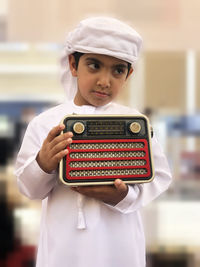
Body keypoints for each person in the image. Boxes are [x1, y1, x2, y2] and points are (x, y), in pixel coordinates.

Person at [14, 17, 172, 267]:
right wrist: (42, 164)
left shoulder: (134, 123)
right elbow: (29, 189)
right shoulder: (46, 123)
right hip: (63, 246)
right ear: (73, 65)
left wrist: (122, 197)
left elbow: (159, 177)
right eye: (94, 65)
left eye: (117, 70)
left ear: (128, 74)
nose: (104, 81)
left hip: (119, 244)